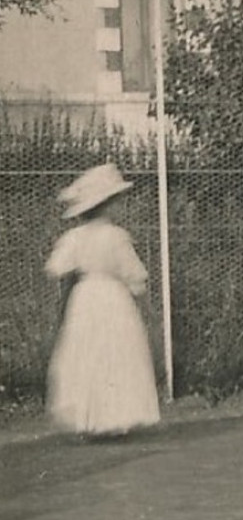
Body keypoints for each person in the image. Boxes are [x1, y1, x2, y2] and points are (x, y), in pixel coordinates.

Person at [44, 164, 161, 436]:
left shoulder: (73, 238)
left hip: (84, 299)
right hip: (112, 298)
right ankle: (112, 420)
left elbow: (64, 274)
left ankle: (90, 421)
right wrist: (145, 305)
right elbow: (133, 275)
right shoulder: (116, 236)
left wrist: (64, 309)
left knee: (89, 355)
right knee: (113, 354)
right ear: (107, 205)